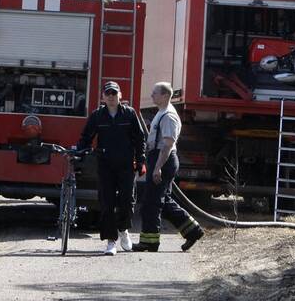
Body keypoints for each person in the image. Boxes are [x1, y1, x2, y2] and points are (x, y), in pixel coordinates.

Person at [132, 82, 205, 252]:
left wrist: (157, 168)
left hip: (162, 160)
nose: (152, 96)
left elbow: (167, 145)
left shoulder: (169, 116)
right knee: (162, 202)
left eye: (155, 93)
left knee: (151, 203)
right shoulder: (161, 113)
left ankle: (149, 242)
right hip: (158, 159)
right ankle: (193, 231)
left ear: (165, 95)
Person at [76, 81, 145, 256]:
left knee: (127, 201)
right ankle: (110, 241)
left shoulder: (129, 114)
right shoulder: (97, 116)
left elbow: (139, 139)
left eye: (114, 93)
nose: (112, 97)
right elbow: (86, 137)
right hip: (105, 165)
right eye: (108, 94)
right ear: (103, 97)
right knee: (106, 203)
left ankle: (123, 230)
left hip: (126, 166)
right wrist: (77, 154)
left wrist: (141, 161)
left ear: (120, 95)